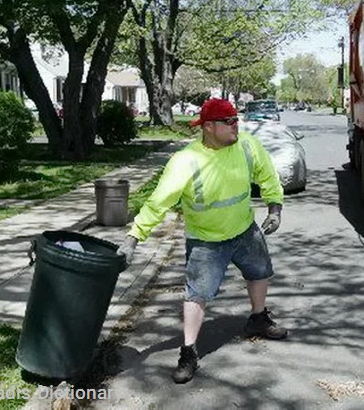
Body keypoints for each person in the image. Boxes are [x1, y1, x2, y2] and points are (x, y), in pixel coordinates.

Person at [116, 98, 287, 384]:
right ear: (208, 127)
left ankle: (258, 318)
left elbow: (267, 174)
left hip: (244, 229)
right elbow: (158, 202)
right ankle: (188, 351)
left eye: (236, 119)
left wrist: (275, 207)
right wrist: (134, 237)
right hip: (206, 241)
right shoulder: (186, 161)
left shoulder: (246, 145)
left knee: (260, 273)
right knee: (197, 294)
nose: (236, 125)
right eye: (229, 122)